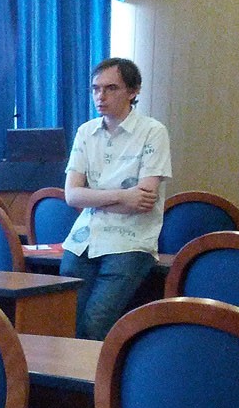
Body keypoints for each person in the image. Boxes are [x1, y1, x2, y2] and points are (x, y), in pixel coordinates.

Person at [60, 58, 173, 340]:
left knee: (95, 325)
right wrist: (123, 195)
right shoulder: (86, 132)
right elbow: (72, 195)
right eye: (96, 88)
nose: (101, 96)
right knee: (65, 323)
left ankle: (99, 372)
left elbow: (143, 201)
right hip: (83, 240)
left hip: (129, 243)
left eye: (111, 88)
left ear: (133, 91)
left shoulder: (152, 132)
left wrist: (94, 197)